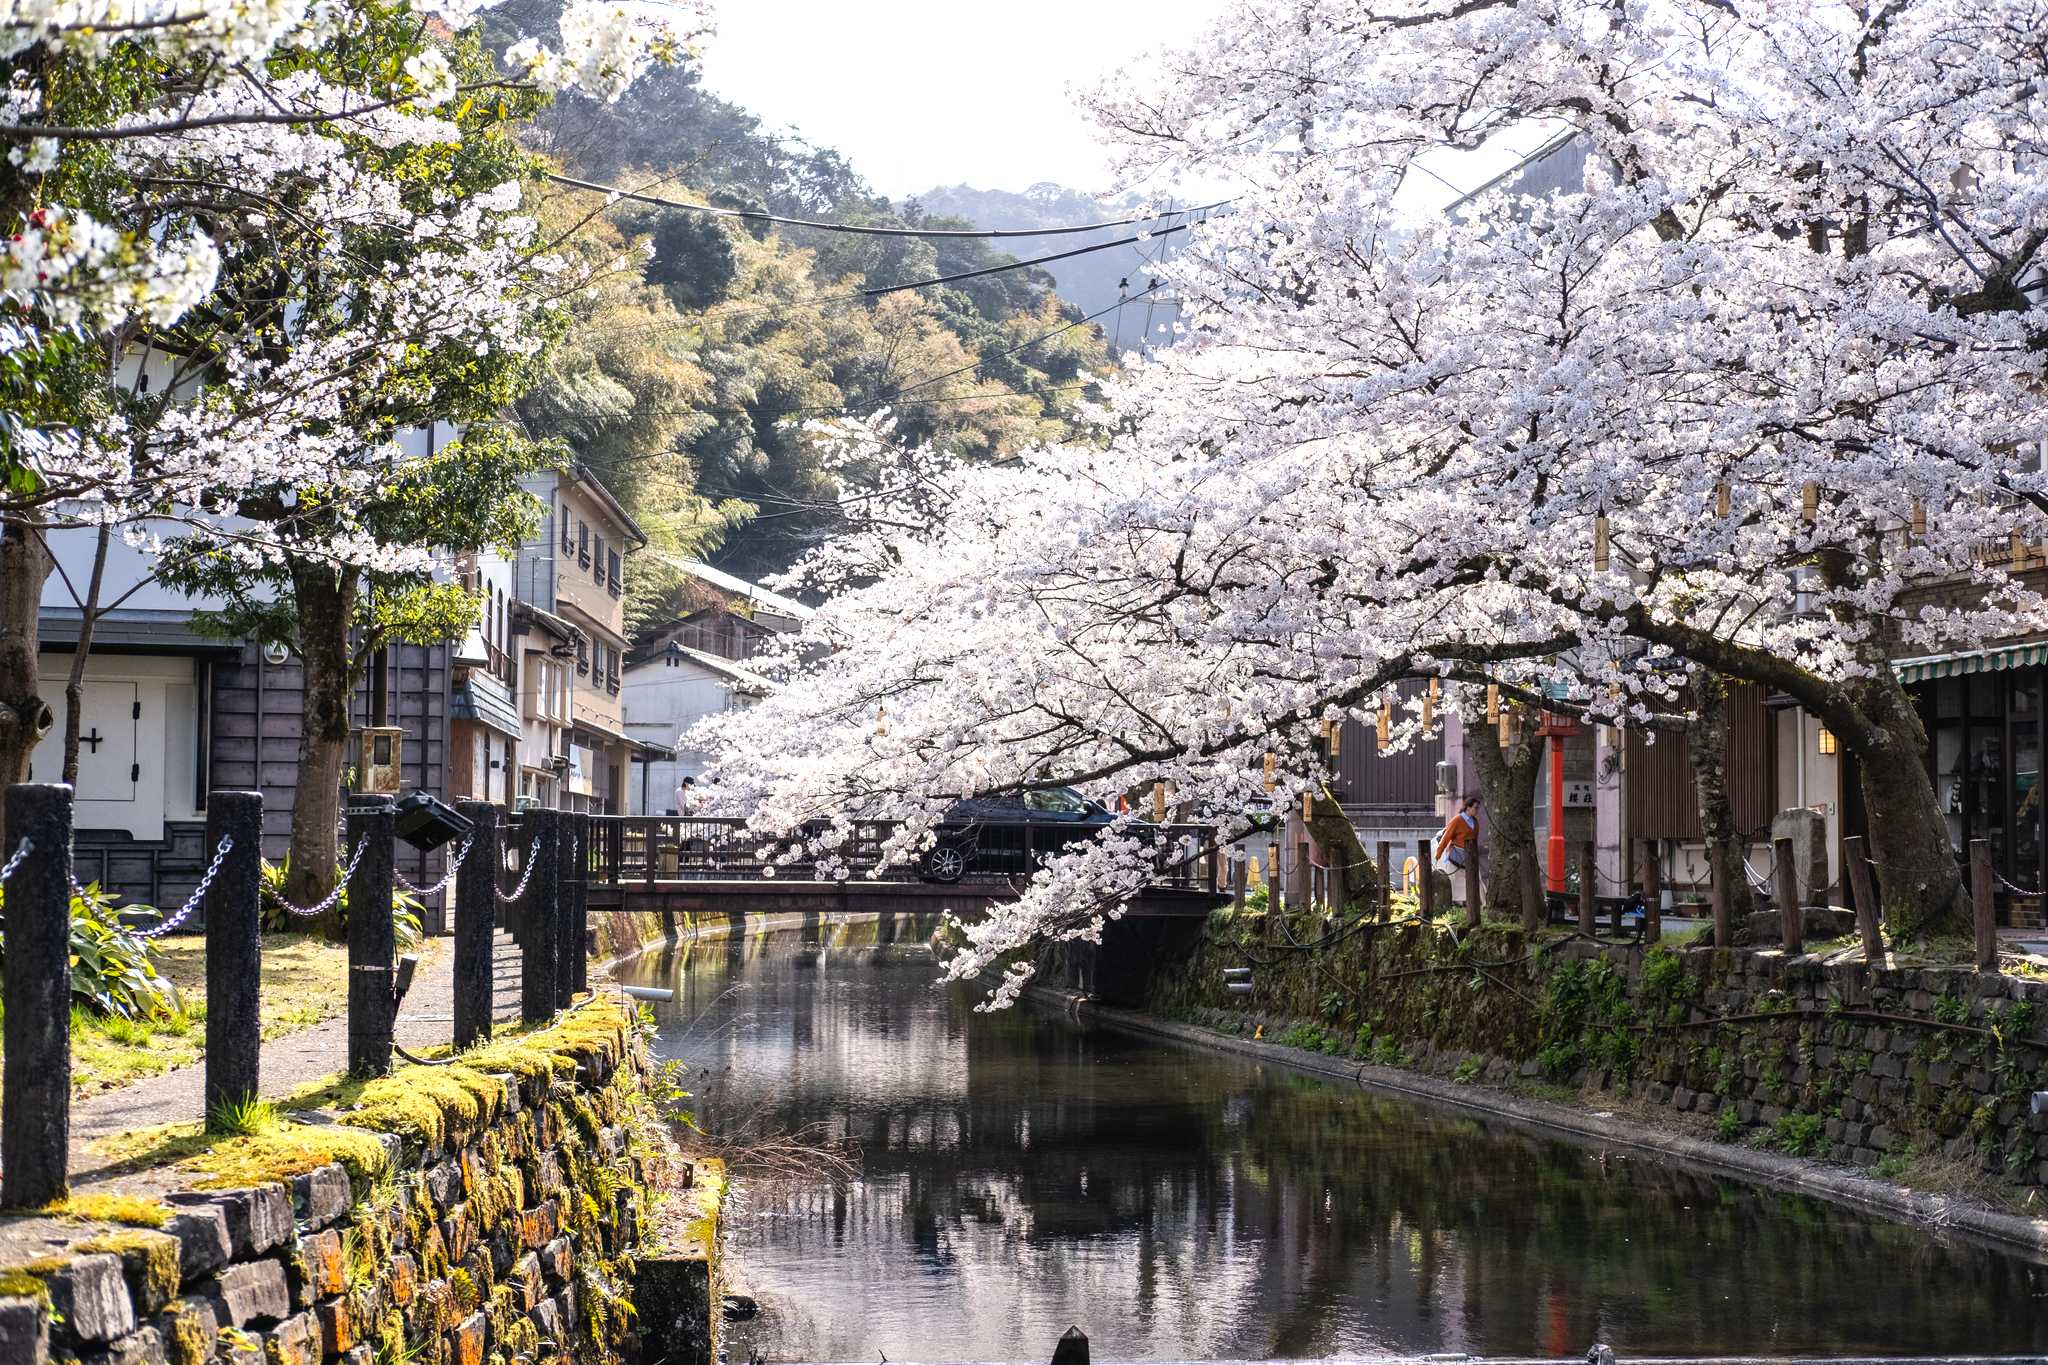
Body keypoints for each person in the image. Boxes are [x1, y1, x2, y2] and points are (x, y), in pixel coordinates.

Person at [1434, 793, 1481, 872]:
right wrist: (1437, 856)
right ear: (1468, 808)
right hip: (1456, 858)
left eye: (1478, 808)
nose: (1477, 810)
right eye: (1475, 808)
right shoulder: (1457, 820)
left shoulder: (1475, 822)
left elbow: (1475, 840)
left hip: (1471, 859)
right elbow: (1446, 837)